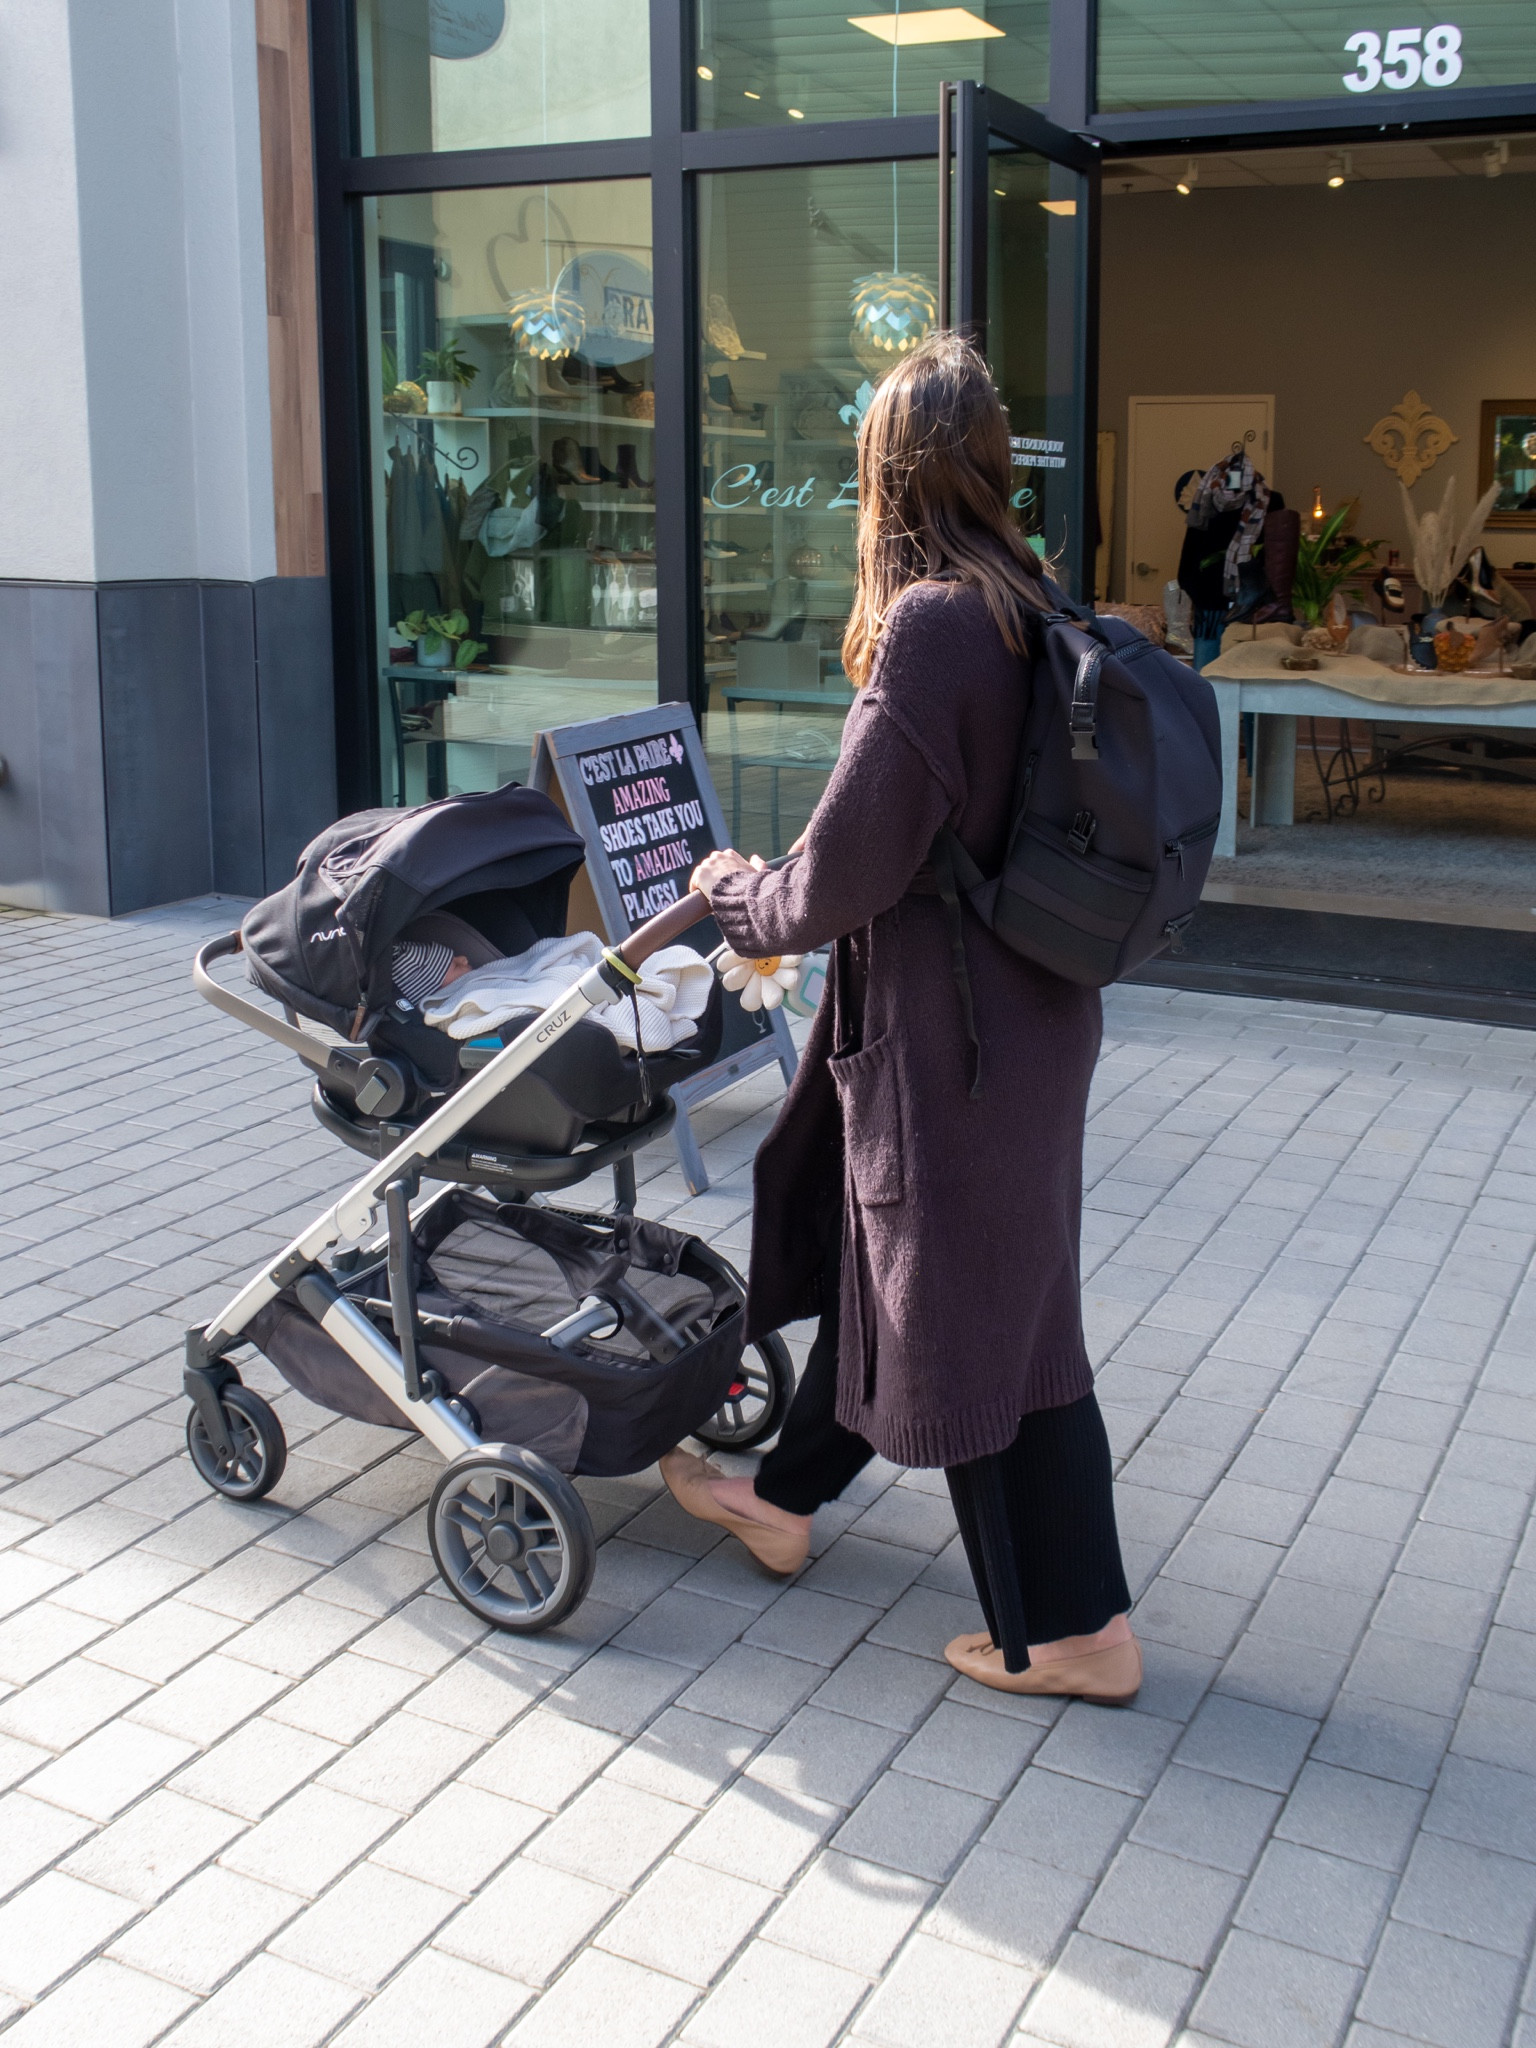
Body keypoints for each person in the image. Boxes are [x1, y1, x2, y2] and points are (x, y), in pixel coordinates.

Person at [659, 331, 1140, 1705]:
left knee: (979, 1326)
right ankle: (784, 1497)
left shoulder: (937, 625)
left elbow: (836, 878)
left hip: (952, 1048)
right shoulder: (1034, 601)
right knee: (944, 1280)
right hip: (1033, 1019)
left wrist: (734, 891)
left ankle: (1076, 1635)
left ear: (888, 478)